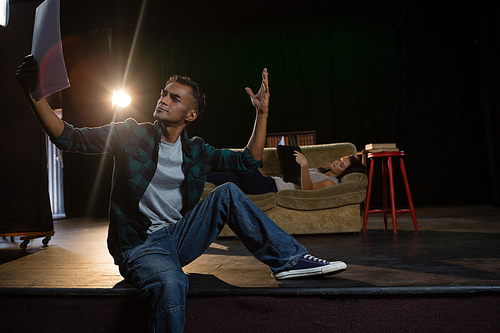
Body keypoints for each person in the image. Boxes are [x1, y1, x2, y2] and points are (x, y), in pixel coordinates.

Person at [16, 55, 347, 333]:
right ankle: (164, 276)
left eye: (175, 98)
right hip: (140, 246)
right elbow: (67, 138)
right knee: (173, 283)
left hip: (178, 238)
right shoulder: (130, 134)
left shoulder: (197, 151)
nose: (163, 99)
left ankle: (288, 260)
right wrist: (34, 94)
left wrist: (262, 113)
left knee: (228, 192)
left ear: (191, 115)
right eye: (164, 93)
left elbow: (248, 160)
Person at [207, 153, 366, 195]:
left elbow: (308, 190)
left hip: (271, 188)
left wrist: (304, 166)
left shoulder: (331, 182)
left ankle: (208, 159)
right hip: (270, 181)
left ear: (345, 171)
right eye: (339, 159)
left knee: (246, 163)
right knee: (227, 176)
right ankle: (193, 175)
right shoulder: (322, 171)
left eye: (341, 164)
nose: (336, 162)